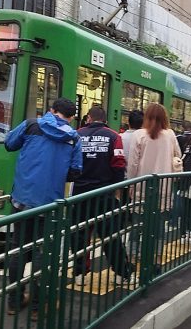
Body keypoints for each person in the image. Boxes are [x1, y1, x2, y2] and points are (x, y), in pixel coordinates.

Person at [4, 97, 82, 318]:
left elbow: (9, 144)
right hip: (50, 203)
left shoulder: (31, 125)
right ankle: (38, 308)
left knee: (19, 250)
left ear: (51, 110)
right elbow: (76, 171)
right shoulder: (74, 137)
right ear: (71, 116)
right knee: (42, 253)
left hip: (22, 200)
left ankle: (14, 301)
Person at [73, 106, 133, 285]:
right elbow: (118, 164)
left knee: (79, 235)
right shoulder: (114, 136)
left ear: (89, 118)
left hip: (80, 193)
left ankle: (79, 274)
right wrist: (116, 189)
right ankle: (122, 273)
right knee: (111, 236)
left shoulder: (77, 135)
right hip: (104, 193)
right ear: (105, 120)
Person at [127, 103, 182, 270]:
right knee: (158, 227)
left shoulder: (139, 135)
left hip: (141, 187)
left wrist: (131, 183)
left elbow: (133, 164)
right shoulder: (170, 135)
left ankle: (132, 257)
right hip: (163, 189)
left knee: (137, 226)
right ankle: (156, 259)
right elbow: (177, 157)